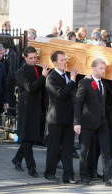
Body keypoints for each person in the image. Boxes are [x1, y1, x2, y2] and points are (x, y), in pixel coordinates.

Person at [73, 58, 112, 186]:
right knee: (85, 150)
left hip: (102, 122)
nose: (103, 71)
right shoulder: (85, 82)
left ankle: (109, 178)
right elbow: (78, 102)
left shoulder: (104, 83)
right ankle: (84, 177)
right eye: (101, 68)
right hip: (88, 121)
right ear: (93, 69)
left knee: (106, 151)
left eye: (104, 68)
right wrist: (76, 122)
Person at [12, 46, 50, 177]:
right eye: (31, 58)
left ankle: (17, 159)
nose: (34, 60)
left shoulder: (38, 68)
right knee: (28, 138)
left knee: (32, 138)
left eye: (35, 58)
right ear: (25, 58)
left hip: (38, 107)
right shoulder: (21, 72)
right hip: (27, 109)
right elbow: (30, 87)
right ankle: (31, 167)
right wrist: (43, 76)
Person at [44, 51, 78, 184]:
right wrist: (73, 80)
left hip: (68, 118)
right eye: (62, 60)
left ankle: (68, 175)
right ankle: (49, 172)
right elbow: (61, 94)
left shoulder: (67, 76)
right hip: (56, 118)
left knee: (68, 148)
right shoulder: (51, 77)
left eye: (65, 59)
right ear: (55, 63)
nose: (65, 62)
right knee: (54, 147)